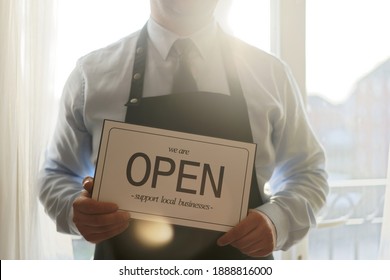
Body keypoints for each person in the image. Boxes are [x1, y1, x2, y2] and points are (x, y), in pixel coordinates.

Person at [38, 0, 328, 260]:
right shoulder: (91, 74)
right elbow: (56, 174)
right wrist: (74, 209)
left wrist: (277, 221)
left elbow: (308, 174)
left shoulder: (271, 74)